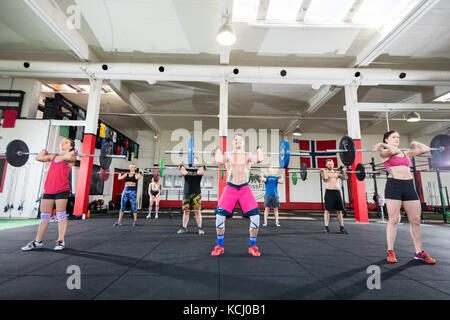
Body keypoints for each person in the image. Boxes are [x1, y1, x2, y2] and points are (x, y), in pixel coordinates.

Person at [373, 130, 436, 264]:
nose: (397, 139)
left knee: (415, 220)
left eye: (398, 137)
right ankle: (390, 251)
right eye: (393, 137)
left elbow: (427, 149)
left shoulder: (406, 153)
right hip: (394, 185)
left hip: (409, 186)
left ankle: (419, 252)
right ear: (387, 140)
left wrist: (416, 143)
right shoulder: (384, 153)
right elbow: (394, 151)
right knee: (394, 219)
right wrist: (381, 145)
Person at [211, 133, 264, 256]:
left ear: (243, 142)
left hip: (245, 188)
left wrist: (259, 148)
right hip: (230, 188)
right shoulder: (228, 155)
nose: (237, 141)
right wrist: (218, 150)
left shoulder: (248, 155)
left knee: (256, 217)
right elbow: (218, 159)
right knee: (219, 216)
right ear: (233, 142)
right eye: (235, 139)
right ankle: (219, 245)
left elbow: (260, 159)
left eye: (240, 139)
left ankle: (252, 246)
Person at [22, 138, 76, 251]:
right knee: (44, 217)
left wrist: (74, 152)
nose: (62, 143)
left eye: (66, 142)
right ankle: (38, 241)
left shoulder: (72, 157)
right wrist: (44, 150)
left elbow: (66, 157)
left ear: (71, 146)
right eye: (61, 142)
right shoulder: (53, 157)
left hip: (62, 189)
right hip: (48, 189)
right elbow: (38, 157)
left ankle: (61, 240)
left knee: (61, 215)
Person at [177, 156, 205, 235]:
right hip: (187, 193)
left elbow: (200, 173)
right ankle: (184, 228)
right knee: (186, 211)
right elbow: (184, 173)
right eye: (192, 161)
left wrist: (203, 166)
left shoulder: (200, 169)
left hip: (196, 193)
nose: (193, 162)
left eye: (195, 160)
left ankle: (200, 228)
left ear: (197, 162)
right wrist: (181, 166)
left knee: (197, 211)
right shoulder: (186, 169)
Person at [320, 160, 349, 234]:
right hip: (329, 192)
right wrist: (323, 171)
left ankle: (342, 227)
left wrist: (343, 171)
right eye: (329, 164)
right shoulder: (324, 172)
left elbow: (345, 178)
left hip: (337, 192)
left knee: (339, 211)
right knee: (327, 211)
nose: (331, 165)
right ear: (326, 165)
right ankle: (326, 227)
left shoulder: (337, 173)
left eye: (332, 164)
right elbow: (326, 178)